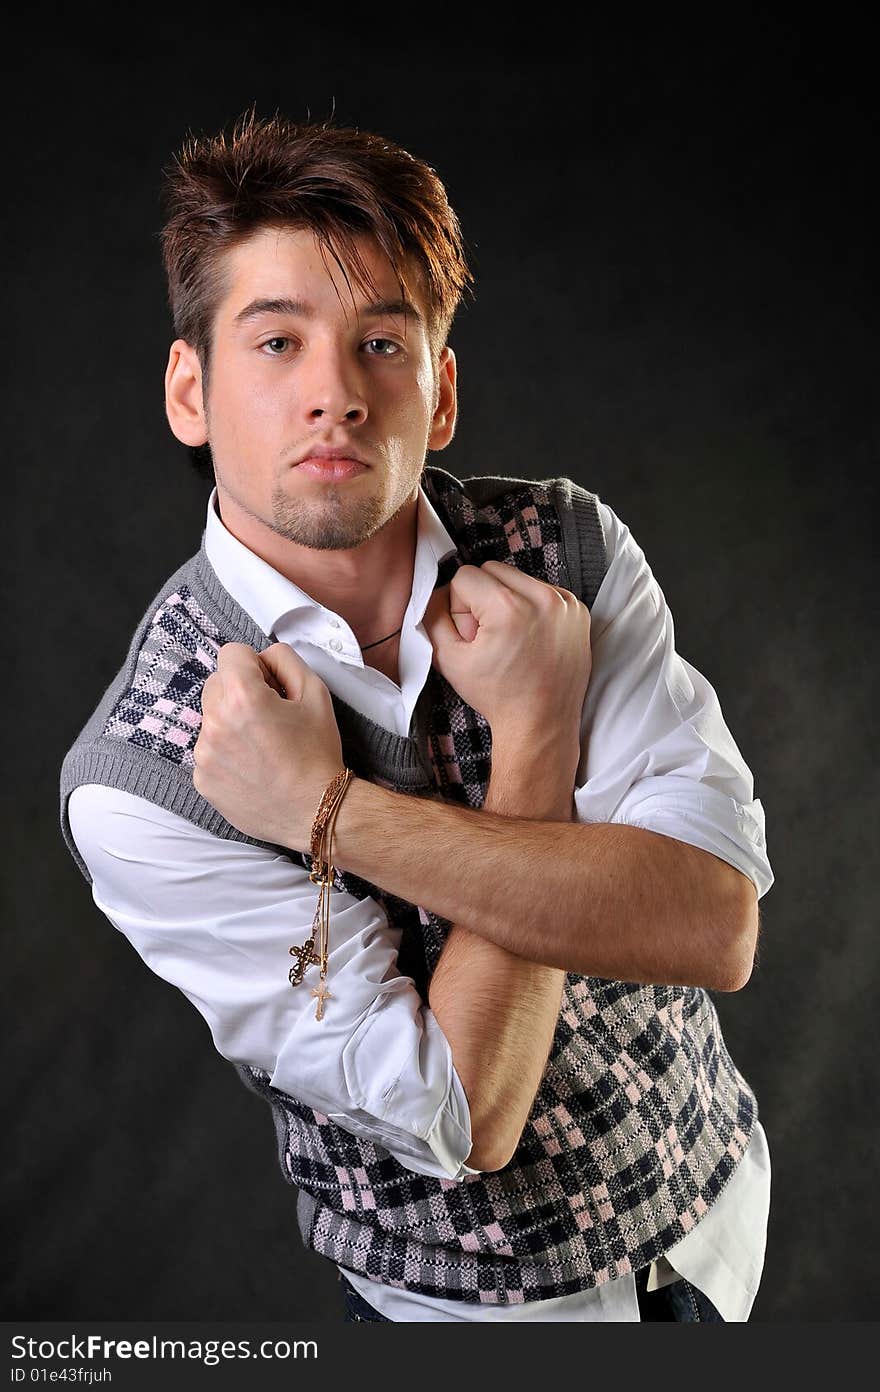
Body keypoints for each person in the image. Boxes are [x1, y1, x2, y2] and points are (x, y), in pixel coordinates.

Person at [59, 109, 774, 1324]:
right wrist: (529, 753)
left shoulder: (568, 550)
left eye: (381, 342)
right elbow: (465, 1110)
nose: (334, 394)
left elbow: (713, 926)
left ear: (439, 394)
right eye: (276, 342)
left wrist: (330, 811)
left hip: (713, 1220)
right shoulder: (145, 778)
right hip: (476, 1319)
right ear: (192, 390)